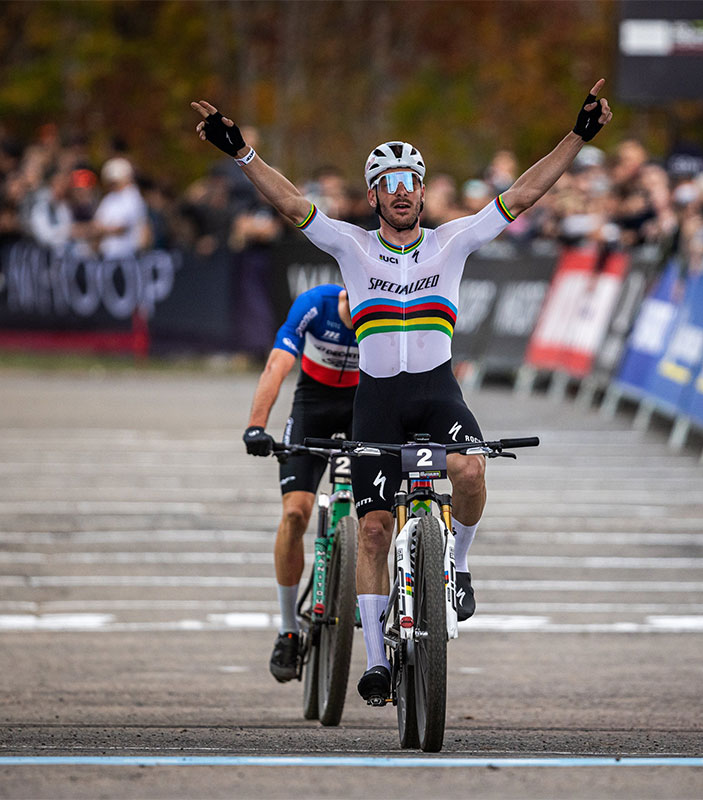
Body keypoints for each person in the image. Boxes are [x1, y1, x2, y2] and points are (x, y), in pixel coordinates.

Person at [193, 78, 612, 704]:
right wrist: (241, 153)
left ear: (420, 189)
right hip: (379, 400)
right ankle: (375, 661)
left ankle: (460, 565)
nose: (401, 193)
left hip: (437, 393)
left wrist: (577, 137)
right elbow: (289, 204)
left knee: (470, 472)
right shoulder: (352, 247)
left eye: (410, 182)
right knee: (373, 530)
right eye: (388, 184)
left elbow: (523, 194)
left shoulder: (454, 241)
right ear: (375, 195)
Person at [241, 283, 359, 682]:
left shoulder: (387, 310)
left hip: (366, 404)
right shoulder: (316, 305)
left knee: (377, 512)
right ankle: (288, 627)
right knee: (295, 513)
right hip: (314, 405)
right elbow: (277, 364)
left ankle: (367, 590)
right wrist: (257, 425)